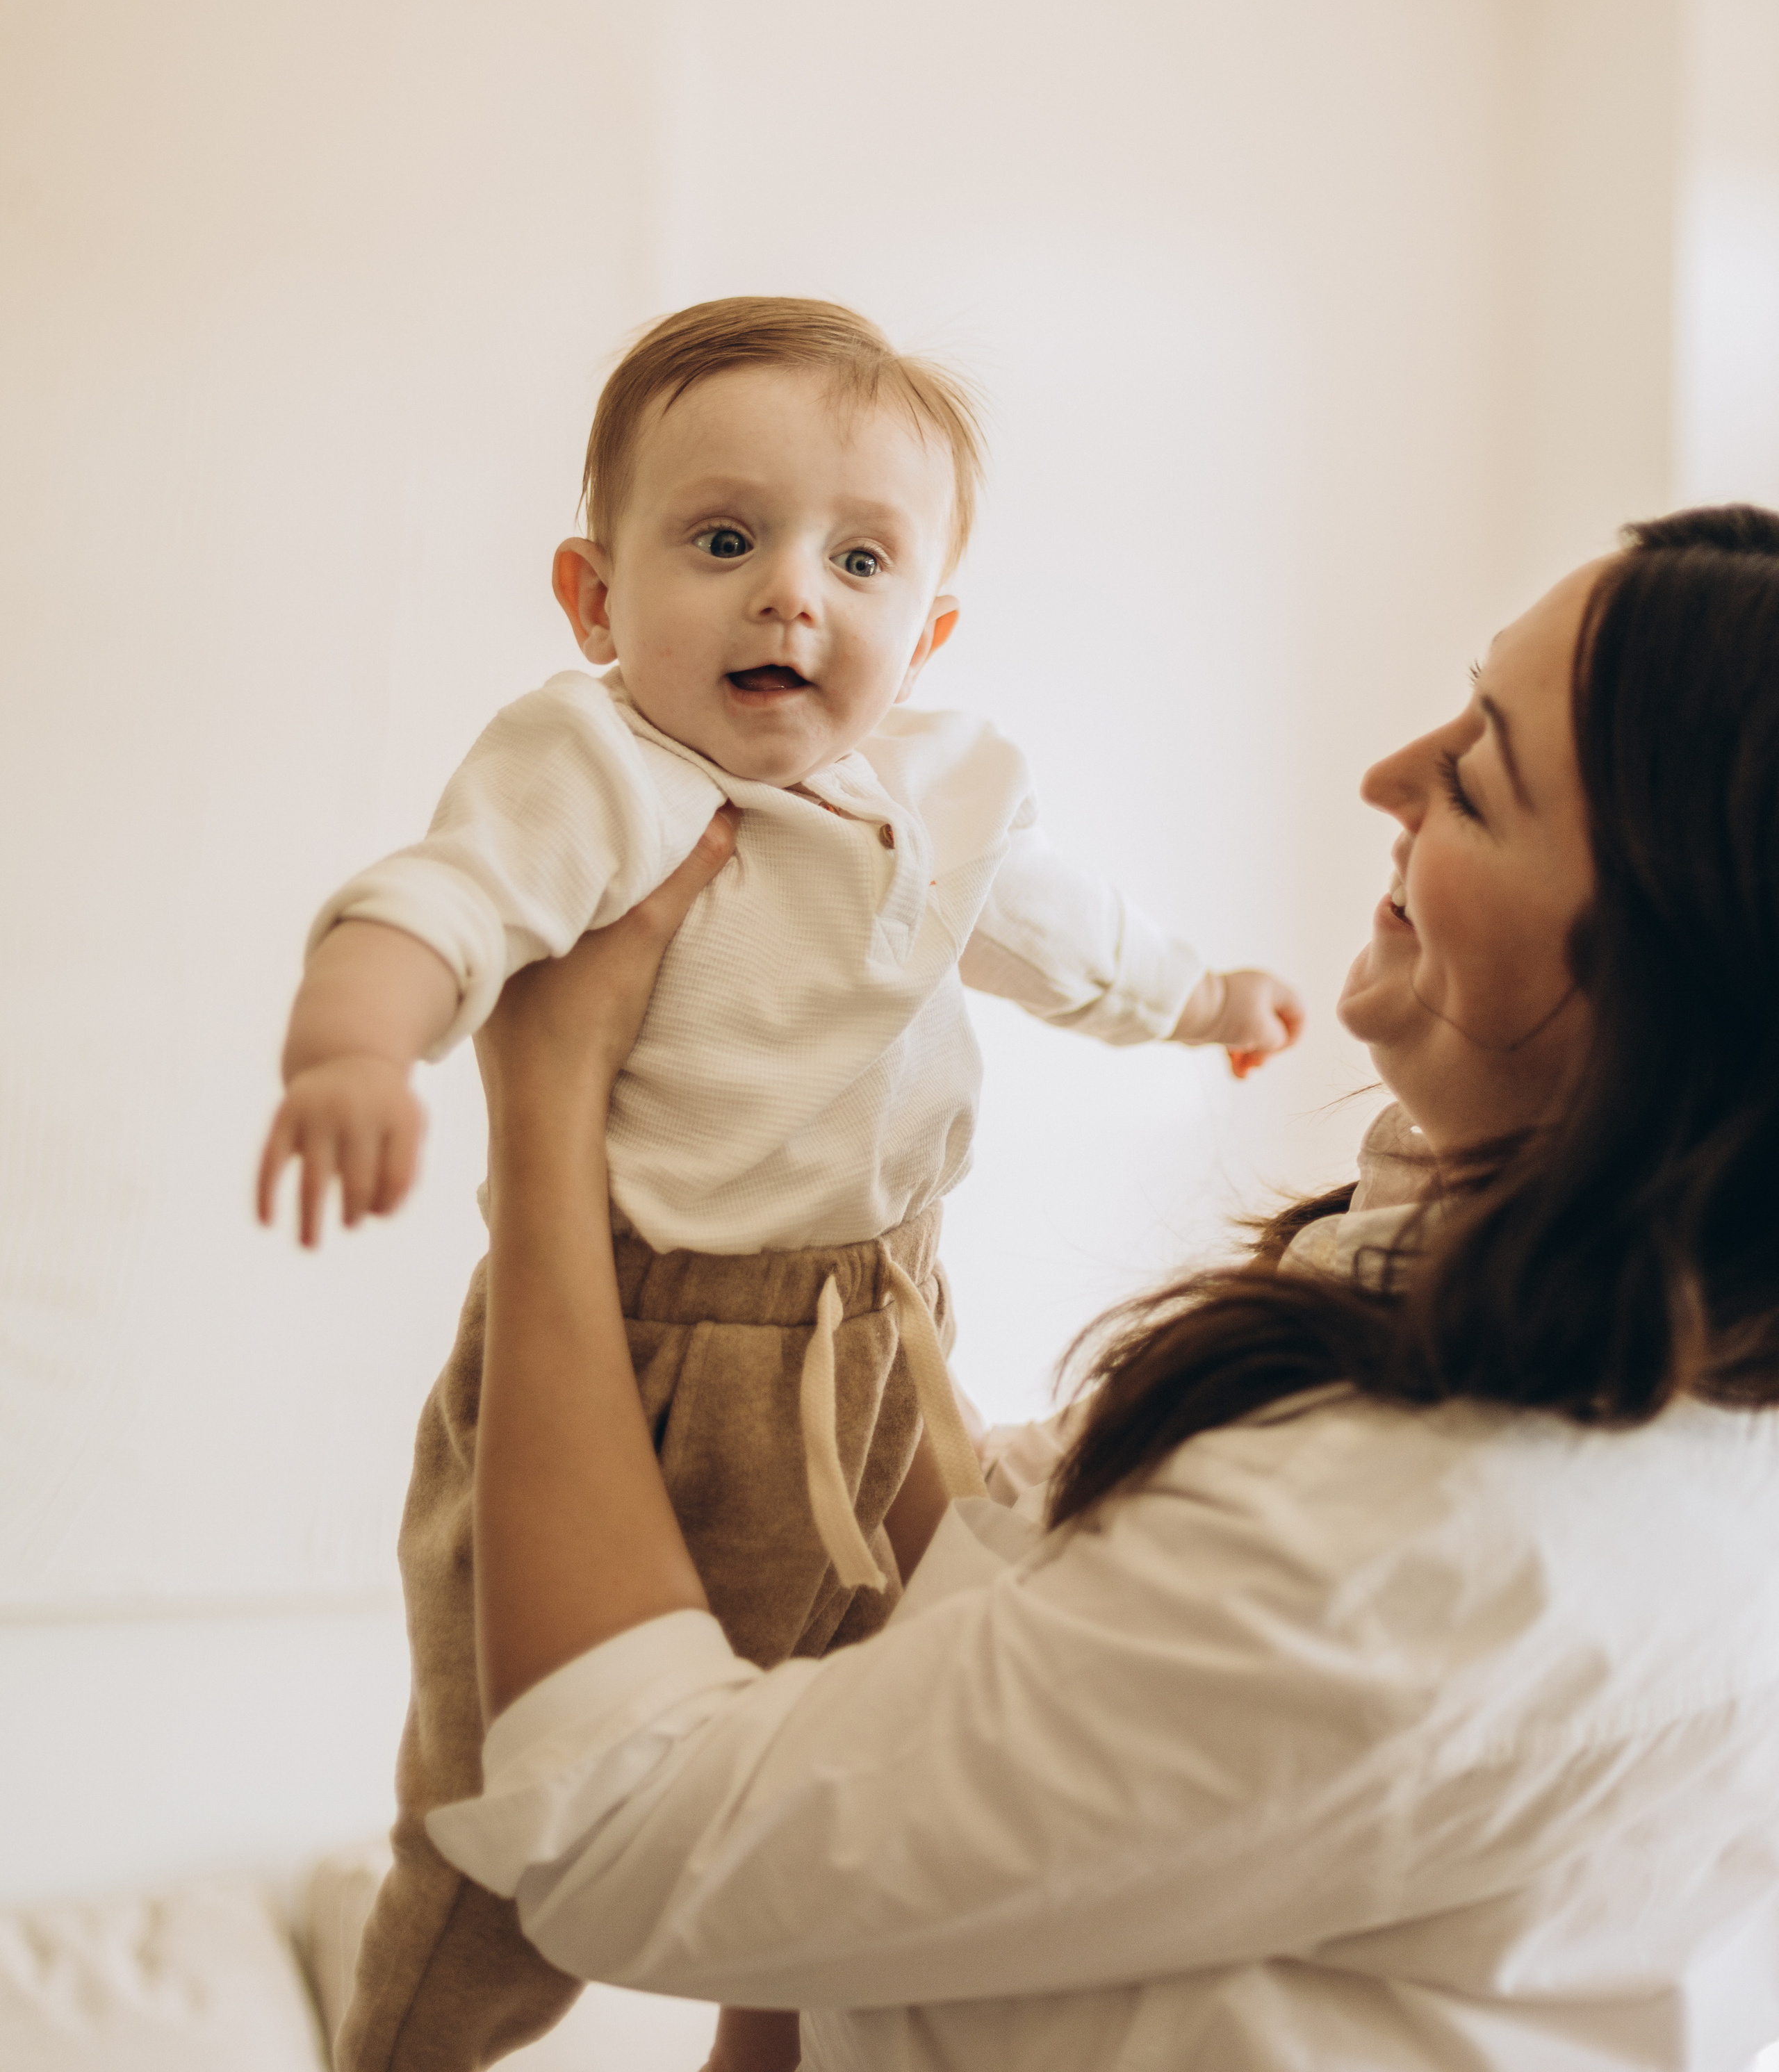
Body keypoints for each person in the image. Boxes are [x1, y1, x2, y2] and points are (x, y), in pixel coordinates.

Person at [430, 505, 1779, 2071]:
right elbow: (1000, 1619)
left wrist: (548, 1111)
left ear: (1660, 993)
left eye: (1473, 779)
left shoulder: (1401, 1544)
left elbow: (617, 1836)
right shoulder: (1504, 1316)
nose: (1385, 778)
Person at [256, 297, 1302, 2072]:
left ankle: (792, 2030)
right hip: (645, 1352)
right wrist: (351, 1051)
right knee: (512, 1793)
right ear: (595, 599)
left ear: (927, 624)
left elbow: (1057, 934)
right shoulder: (595, 771)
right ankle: (402, 2046)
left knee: (913, 1705)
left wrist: (1199, 1000)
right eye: (723, 541)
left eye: (859, 559)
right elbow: (430, 906)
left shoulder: (944, 784)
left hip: (885, 1318)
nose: (789, 596)